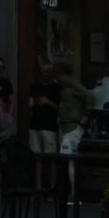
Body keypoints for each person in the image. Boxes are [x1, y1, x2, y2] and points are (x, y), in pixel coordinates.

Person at [28, 57, 61, 193]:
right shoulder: (35, 86)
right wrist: (33, 103)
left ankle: (51, 189)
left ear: (52, 73)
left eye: (48, 72)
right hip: (35, 125)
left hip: (50, 126)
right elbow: (30, 104)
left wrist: (48, 102)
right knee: (37, 158)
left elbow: (60, 108)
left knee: (51, 158)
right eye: (43, 72)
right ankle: (38, 188)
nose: (45, 74)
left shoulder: (56, 88)